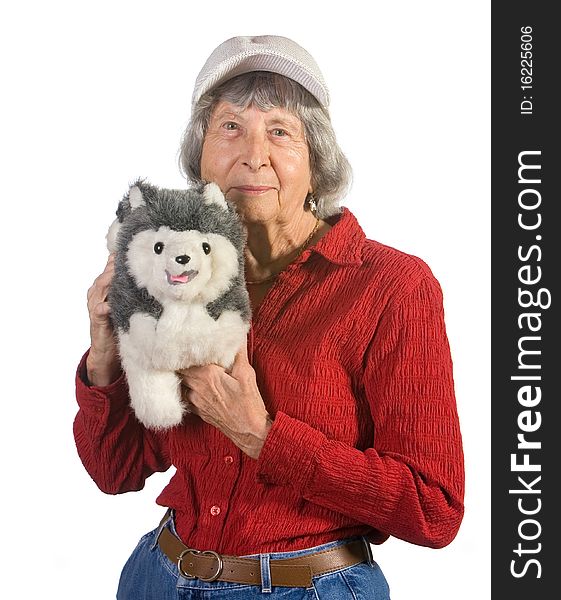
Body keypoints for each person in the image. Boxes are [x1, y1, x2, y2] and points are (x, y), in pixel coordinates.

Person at [74, 35, 465, 599]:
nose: (252, 154)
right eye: (230, 126)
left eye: (280, 131)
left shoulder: (392, 287)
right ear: (199, 155)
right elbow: (116, 471)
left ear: (317, 160)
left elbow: (434, 509)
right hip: (158, 576)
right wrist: (105, 359)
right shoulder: (175, 275)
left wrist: (263, 437)